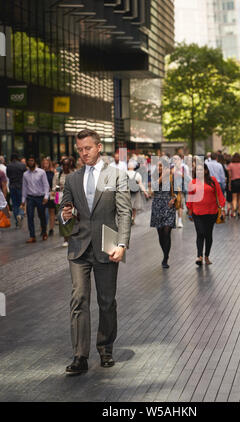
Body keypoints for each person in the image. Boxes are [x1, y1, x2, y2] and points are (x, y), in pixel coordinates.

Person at [59, 129, 132, 375]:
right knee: (78, 299)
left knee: (106, 301)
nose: (83, 153)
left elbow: (124, 212)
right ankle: (79, 356)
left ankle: (105, 348)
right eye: (79, 150)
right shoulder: (71, 179)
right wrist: (65, 215)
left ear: (99, 147)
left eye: (87, 148)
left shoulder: (116, 175)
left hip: (108, 246)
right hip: (79, 248)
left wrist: (122, 244)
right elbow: (64, 217)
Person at [187, 161, 225, 267]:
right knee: (200, 233)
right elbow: (190, 198)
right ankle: (199, 256)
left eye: (201, 169)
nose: (199, 171)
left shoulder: (212, 181)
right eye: (197, 170)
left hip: (211, 212)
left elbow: (220, 194)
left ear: (206, 170)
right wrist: (189, 211)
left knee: (208, 235)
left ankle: (206, 256)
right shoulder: (192, 182)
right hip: (197, 212)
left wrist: (222, 207)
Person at [150, 157, 177, 268]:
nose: (159, 167)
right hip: (157, 205)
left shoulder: (172, 177)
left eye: (162, 166)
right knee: (160, 232)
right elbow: (151, 191)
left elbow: (178, 190)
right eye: (158, 166)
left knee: (167, 231)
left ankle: (165, 258)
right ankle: (164, 253)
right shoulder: (154, 176)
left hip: (169, 205)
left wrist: (174, 199)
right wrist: (162, 176)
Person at [21, 156, 49, 243]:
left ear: (35, 162)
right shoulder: (25, 174)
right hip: (30, 198)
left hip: (40, 197)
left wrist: (46, 197)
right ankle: (32, 236)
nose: (30, 162)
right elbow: (24, 187)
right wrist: (23, 200)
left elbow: (46, 185)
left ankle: (44, 232)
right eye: (28, 161)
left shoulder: (41, 172)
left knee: (42, 216)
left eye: (32, 160)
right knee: (30, 216)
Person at [53, 157, 73, 246]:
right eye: (64, 165)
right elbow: (54, 188)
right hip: (59, 198)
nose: (65, 167)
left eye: (67, 165)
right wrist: (58, 188)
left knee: (71, 217)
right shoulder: (58, 175)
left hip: (71, 199)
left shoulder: (73, 174)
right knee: (62, 217)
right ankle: (65, 238)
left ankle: (71, 236)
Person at [6, 153, 27, 228]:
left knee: (14, 204)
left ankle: (16, 220)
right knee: (21, 202)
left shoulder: (8, 166)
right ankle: (20, 215)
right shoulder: (22, 165)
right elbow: (26, 175)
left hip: (12, 186)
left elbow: (8, 175)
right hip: (20, 186)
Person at [127, 159, 149, 225]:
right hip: (135, 192)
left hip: (126, 192)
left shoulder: (124, 173)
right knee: (134, 207)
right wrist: (145, 192)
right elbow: (140, 184)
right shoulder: (137, 174)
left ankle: (128, 218)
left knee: (127, 206)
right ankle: (133, 218)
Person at [41, 157, 56, 236]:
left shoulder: (52, 172)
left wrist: (56, 199)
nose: (45, 165)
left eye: (47, 163)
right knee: (42, 212)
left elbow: (55, 183)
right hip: (43, 194)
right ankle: (43, 228)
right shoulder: (40, 172)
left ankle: (51, 228)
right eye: (44, 163)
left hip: (51, 194)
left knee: (52, 211)